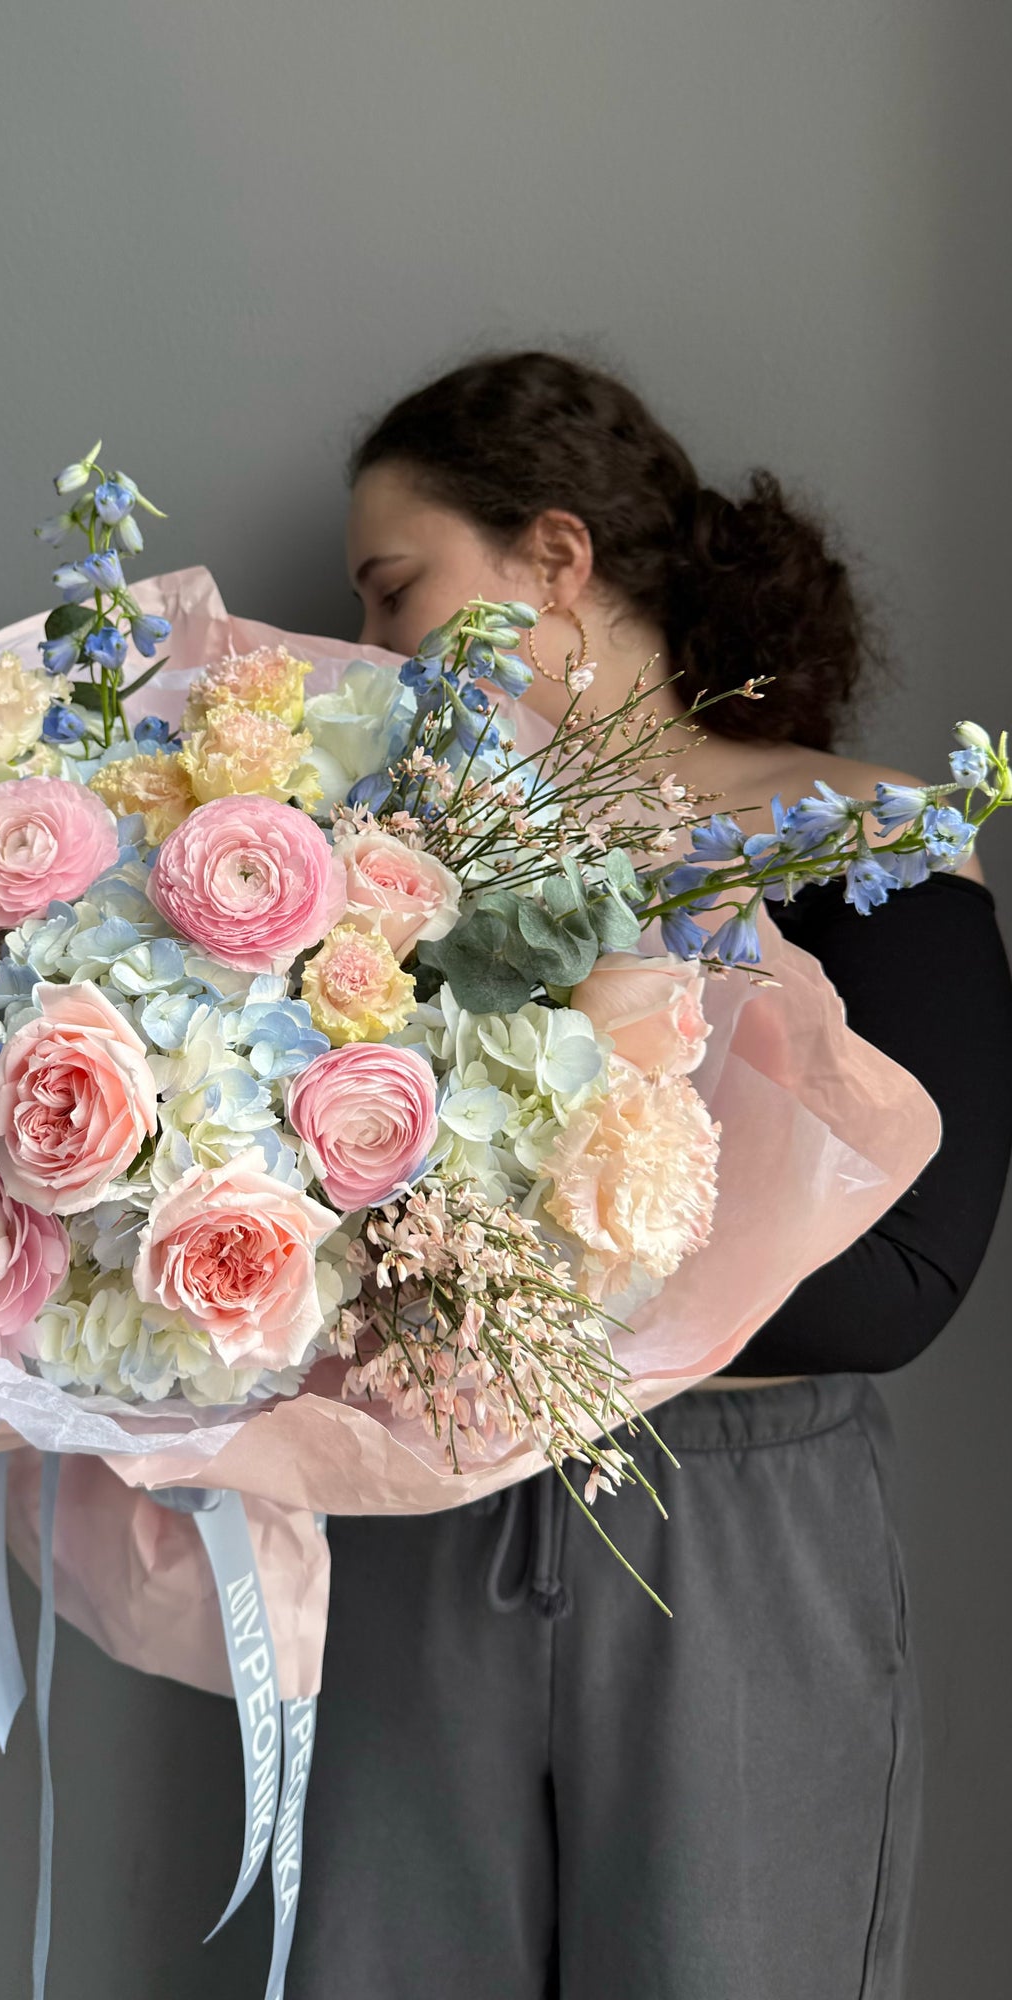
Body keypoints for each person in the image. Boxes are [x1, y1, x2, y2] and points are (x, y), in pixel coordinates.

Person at [287, 350, 1012, 1999]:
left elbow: (903, 1280)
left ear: (555, 556)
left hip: (732, 1526)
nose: (371, 647)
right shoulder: (375, 858)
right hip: (427, 1508)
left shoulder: (863, 832)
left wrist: (467, 1277)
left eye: (394, 590)